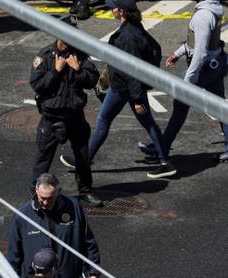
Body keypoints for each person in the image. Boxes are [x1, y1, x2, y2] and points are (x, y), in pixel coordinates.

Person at [61, 0, 176, 179]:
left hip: (124, 88)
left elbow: (132, 69)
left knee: (103, 121)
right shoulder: (133, 27)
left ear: (121, 11)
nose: (110, 9)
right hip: (129, 87)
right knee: (147, 122)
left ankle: (83, 161)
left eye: (113, 7)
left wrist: (137, 98)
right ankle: (164, 161)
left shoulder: (128, 36)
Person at [138, 0, 228, 163]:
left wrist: (188, 81)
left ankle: (161, 149)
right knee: (221, 108)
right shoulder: (212, 9)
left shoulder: (202, 15)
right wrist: (178, 53)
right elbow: (200, 42)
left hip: (205, 69)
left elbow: (200, 53)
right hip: (216, 64)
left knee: (180, 108)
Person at [30, 23, 104, 208]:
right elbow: (37, 85)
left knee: (82, 156)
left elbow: (92, 80)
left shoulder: (80, 55)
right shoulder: (45, 56)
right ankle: (36, 194)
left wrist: (77, 69)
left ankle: (85, 191)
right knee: (43, 158)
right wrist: (55, 71)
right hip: (51, 117)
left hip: (75, 116)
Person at [6, 173, 102, 278]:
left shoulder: (74, 208)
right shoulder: (22, 216)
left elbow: (88, 242)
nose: (45, 202)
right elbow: (14, 254)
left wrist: (93, 272)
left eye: (50, 198)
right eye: (42, 198)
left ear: (58, 192)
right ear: (36, 190)